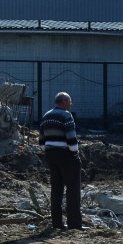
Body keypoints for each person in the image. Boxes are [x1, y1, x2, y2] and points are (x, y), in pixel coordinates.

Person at [38, 91, 82, 230]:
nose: (71, 104)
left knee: (56, 189)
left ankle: (57, 224)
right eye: (69, 101)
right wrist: (75, 152)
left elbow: (41, 139)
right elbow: (71, 137)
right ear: (63, 102)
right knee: (73, 189)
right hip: (66, 155)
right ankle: (74, 224)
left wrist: (49, 150)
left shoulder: (46, 115)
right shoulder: (66, 115)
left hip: (51, 155)